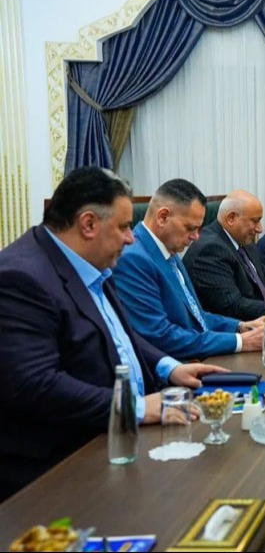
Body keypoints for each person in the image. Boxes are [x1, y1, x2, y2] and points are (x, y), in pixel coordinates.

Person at [0, 167, 227, 501]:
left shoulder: (92, 262)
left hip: (127, 432)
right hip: (65, 466)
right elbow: (36, 384)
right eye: (123, 227)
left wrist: (168, 366)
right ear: (88, 224)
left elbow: (120, 335)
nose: (131, 238)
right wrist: (135, 407)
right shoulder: (21, 278)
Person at [113, 179, 265, 360]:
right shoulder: (133, 259)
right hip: (176, 368)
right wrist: (240, 342)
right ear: (163, 217)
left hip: (199, 356)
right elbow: (159, 335)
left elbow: (196, 317)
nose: (195, 237)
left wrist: (241, 326)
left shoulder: (170, 250)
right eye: (190, 228)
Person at [183, 190, 265, 321]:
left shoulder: (244, 240)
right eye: (255, 221)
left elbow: (264, 278)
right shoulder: (209, 250)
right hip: (235, 329)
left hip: (263, 322)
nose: (260, 229)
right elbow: (234, 306)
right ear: (231, 218)